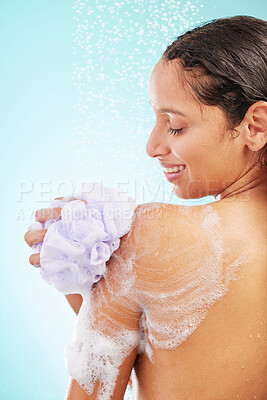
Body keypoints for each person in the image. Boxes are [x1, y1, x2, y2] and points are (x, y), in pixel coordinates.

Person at [24, 15, 267, 400]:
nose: (152, 146)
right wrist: (93, 291)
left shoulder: (155, 234)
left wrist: (86, 263)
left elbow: (98, 383)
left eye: (174, 126)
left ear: (255, 125)